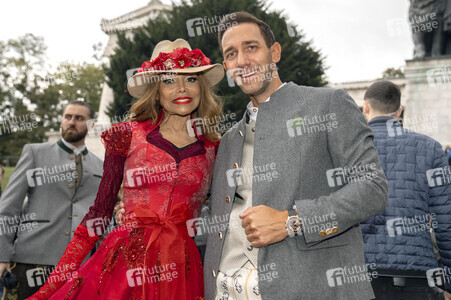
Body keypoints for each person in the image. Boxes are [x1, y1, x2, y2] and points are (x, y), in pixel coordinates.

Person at [199, 11, 387, 300]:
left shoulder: (327, 104)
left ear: (274, 52)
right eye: (232, 54)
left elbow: (372, 188)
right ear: (227, 66)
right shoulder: (228, 140)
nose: (243, 60)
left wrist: (292, 220)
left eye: (251, 47)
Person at [28, 39, 224, 299]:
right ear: (156, 90)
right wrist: (49, 288)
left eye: (190, 79)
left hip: (182, 274)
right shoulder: (126, 136)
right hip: (122, 271)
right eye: (168, 80)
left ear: (202, 86)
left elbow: (228, 209)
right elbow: (98, 215)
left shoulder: (217, 147)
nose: (180, 88)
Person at [0, 101, 103, 299]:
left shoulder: (101, 166)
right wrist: (2, 255)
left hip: (79, 264)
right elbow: (8, 207)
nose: (71, 122)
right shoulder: (35, 153)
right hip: (31, 259)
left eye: (79, 118)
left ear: (91, 125)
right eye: (67, 117)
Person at [361, 80, 451, 300]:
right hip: (417, 276)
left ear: (365, 107)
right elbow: (445, 220)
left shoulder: (351, 148)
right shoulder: (431, 148)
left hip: (360, 275)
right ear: (399, 111)